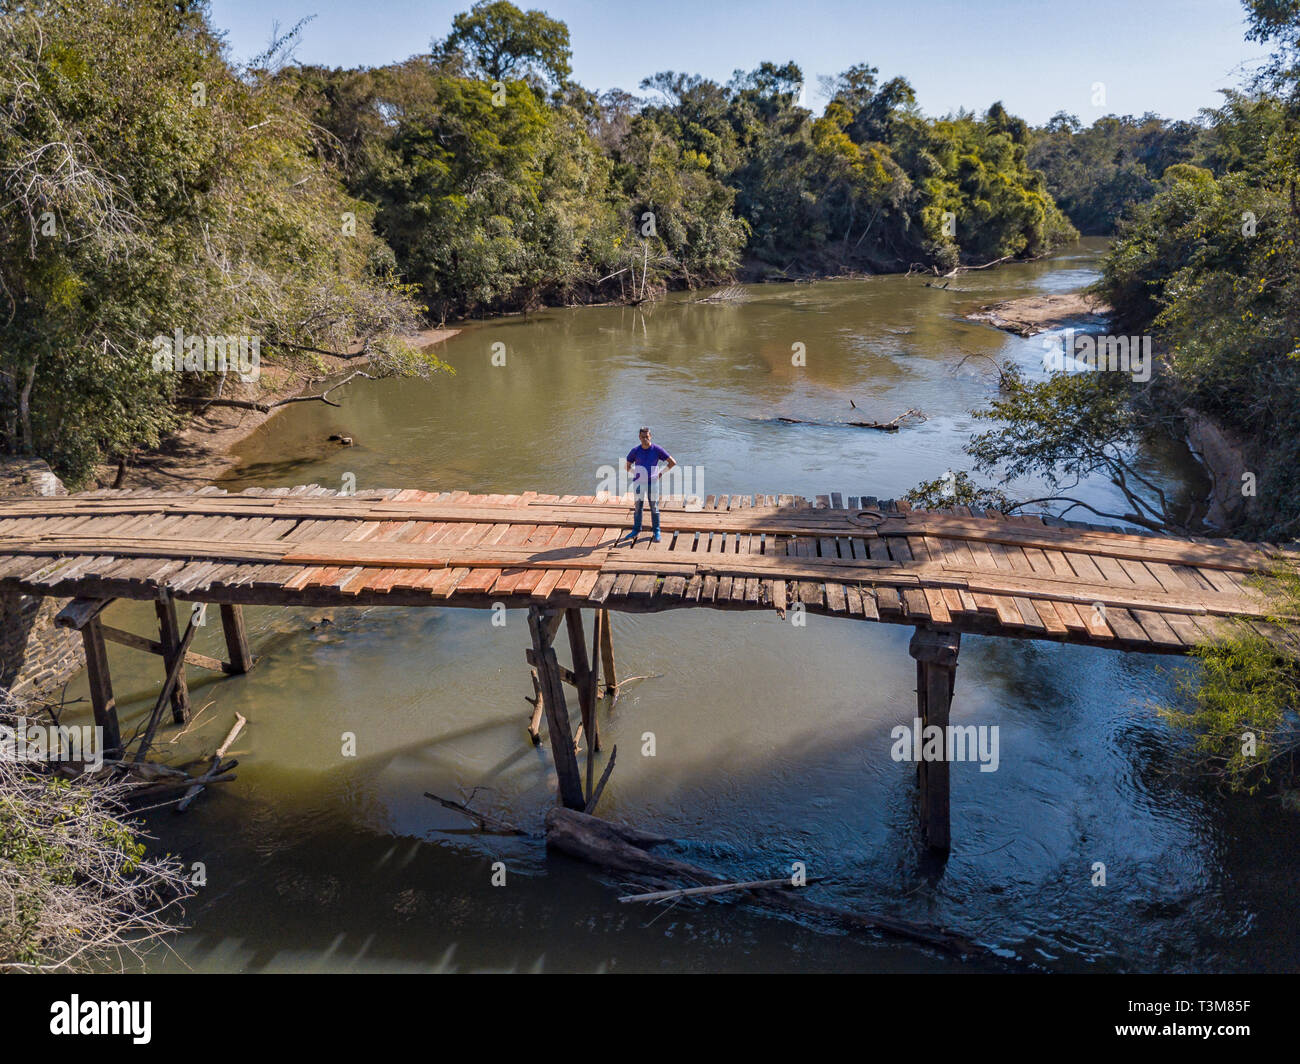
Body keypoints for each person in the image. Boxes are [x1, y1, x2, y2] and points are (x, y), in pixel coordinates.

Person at [624, 426, 675, 542]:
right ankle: (636, 529)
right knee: (638, 508)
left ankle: (656, 530)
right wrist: (636, 473)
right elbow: (627, 466)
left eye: (647, 437)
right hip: (638, 483)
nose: (645, 439)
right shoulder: (635, 451)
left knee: (654, 508)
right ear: (639, 437)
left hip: (653, 483)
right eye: (642, 437)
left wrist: (661, 473)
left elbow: (672, 462)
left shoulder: (657, 449)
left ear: (650, 436)